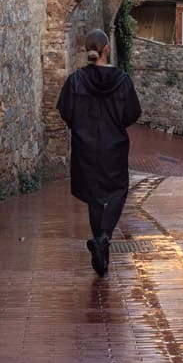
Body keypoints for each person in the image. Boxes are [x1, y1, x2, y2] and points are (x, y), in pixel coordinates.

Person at [56, 29, 141, 276]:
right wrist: (114, 125)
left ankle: (101, 251)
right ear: (106, 49)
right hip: (113, 146)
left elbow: (65, 111)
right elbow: (133, 113)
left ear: (88, 50)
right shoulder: (122, 80)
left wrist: (81, 128)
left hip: (85, 147)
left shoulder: (75, 80)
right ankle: (103, 239)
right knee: (117, 191)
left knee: (94, 197)